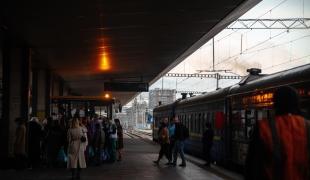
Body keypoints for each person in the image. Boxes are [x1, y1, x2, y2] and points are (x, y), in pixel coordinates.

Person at [245, 86, 310, 180]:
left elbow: (252, 167)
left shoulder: (263, 128)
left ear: (275, 103)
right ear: (297, 103)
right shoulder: (307, 127)